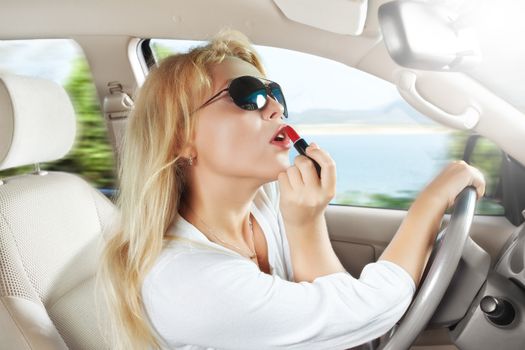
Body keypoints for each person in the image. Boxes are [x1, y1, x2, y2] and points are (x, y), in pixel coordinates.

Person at [97, 29, 486, 350]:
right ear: (180, 138)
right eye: (248, 96)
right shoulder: (188, 281)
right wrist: (432, 201)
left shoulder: (262, 208)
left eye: (276, 96)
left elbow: (347, 334)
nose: (276, 110)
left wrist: (306, 221)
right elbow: (369, 311)